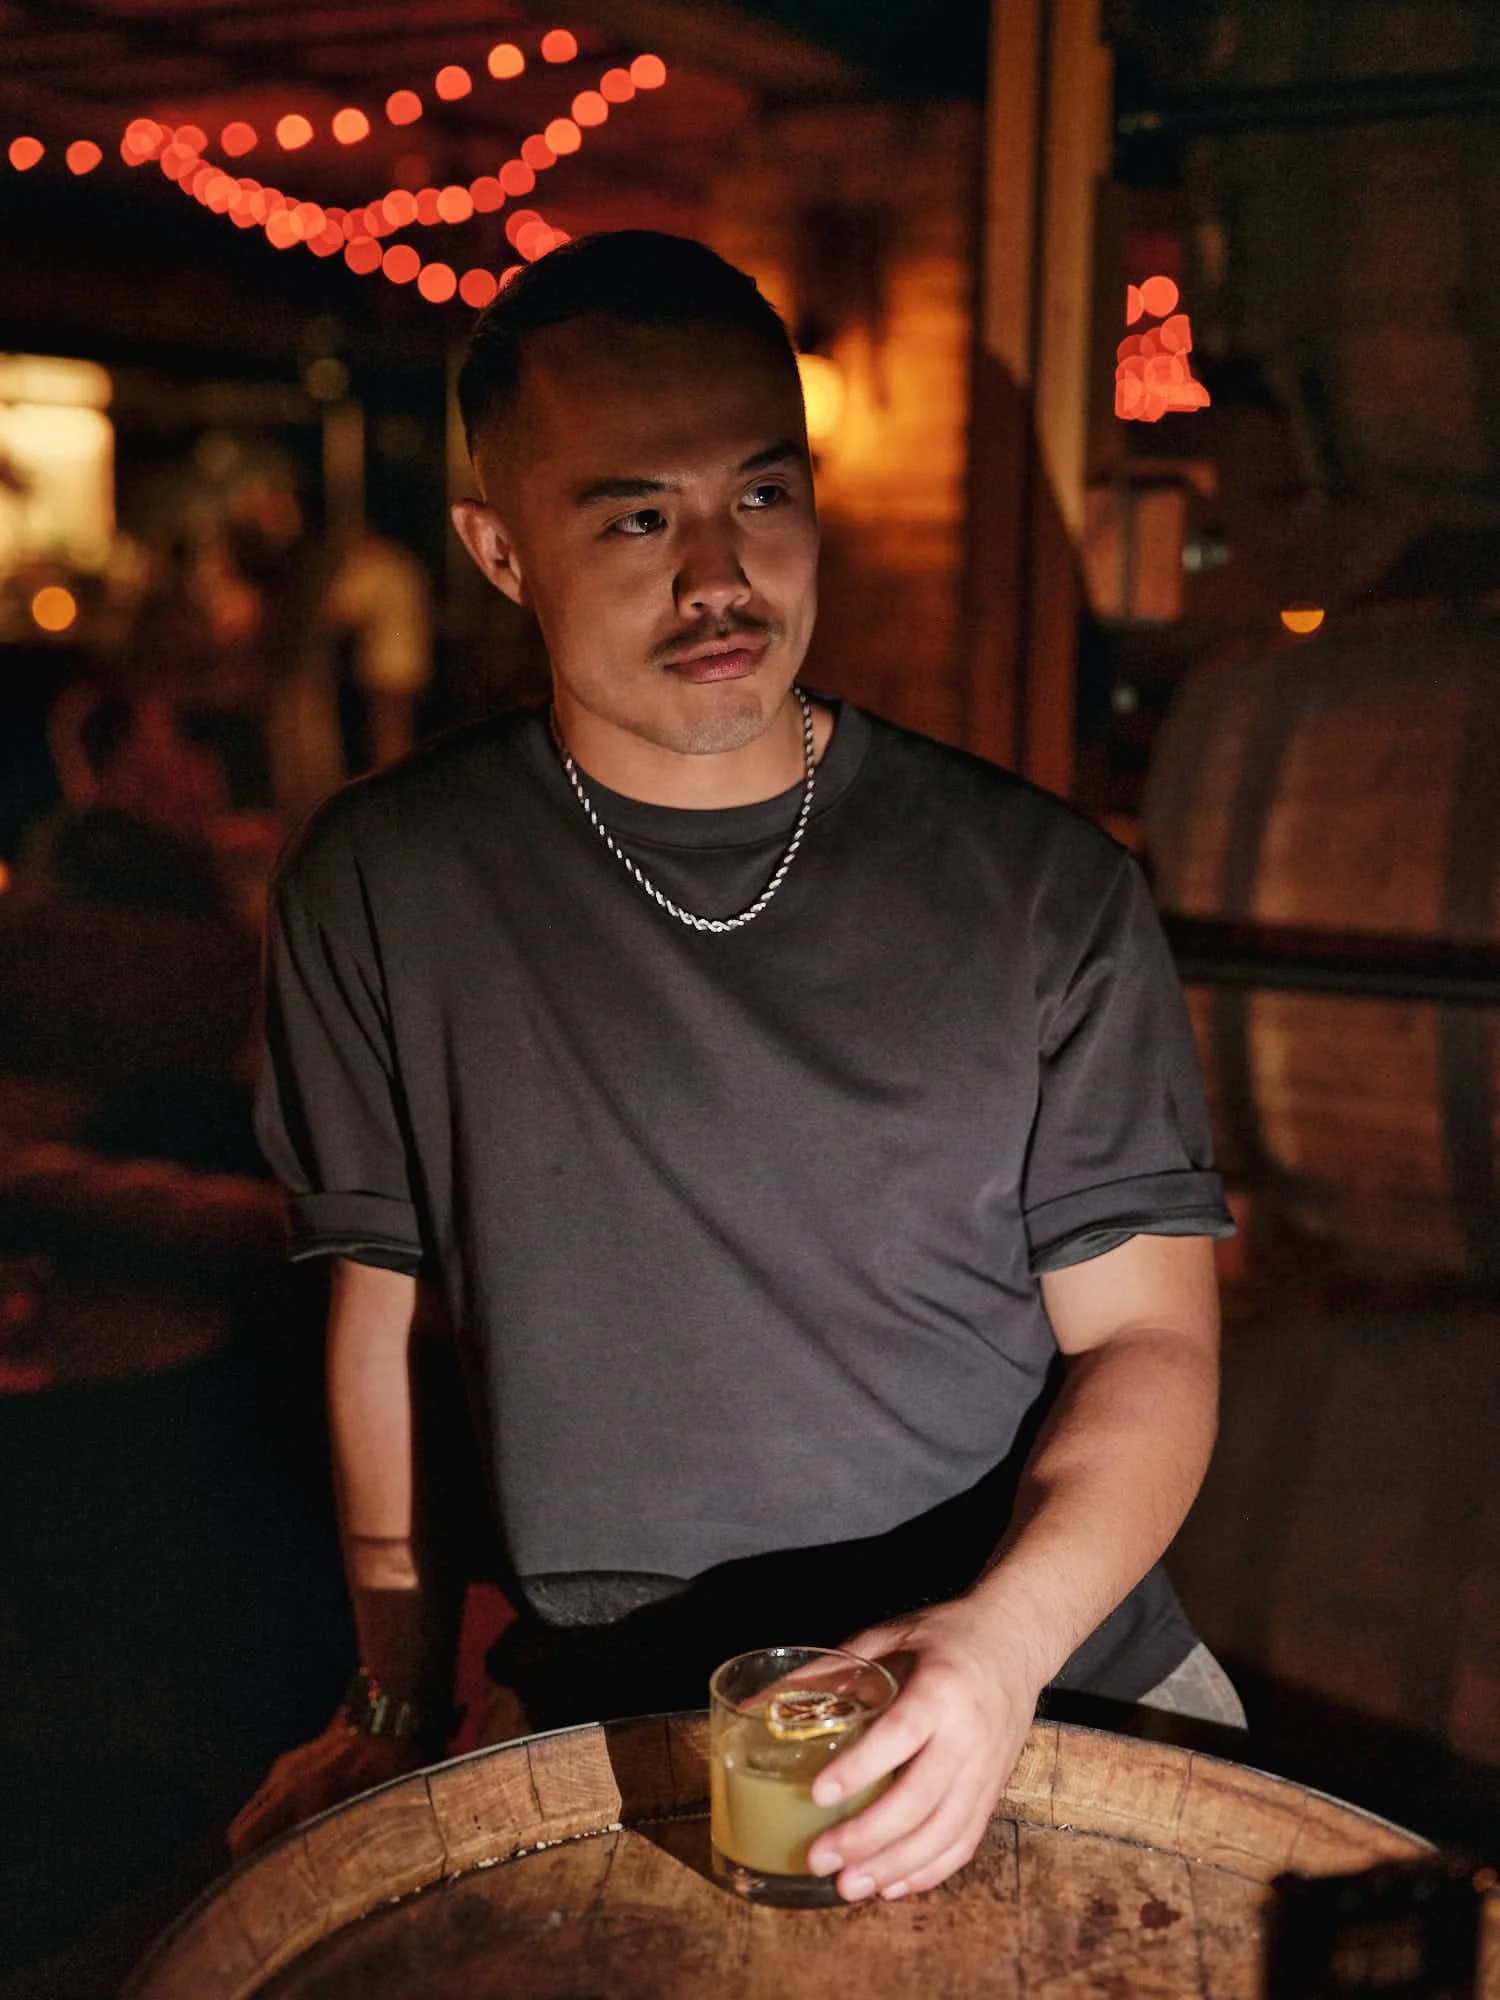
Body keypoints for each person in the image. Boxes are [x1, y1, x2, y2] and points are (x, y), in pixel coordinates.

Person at [230, 232, 1238, 1902]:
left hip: (1041, 1661)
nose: (720, 576)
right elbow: (381, 1320)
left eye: (761, 498)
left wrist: (995, 1652)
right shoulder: (383, 880)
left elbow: (1152, 1342)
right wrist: (396, 1689)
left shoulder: (1039, 884)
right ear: (498, 549)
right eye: (637, 517)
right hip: (626, 1706)